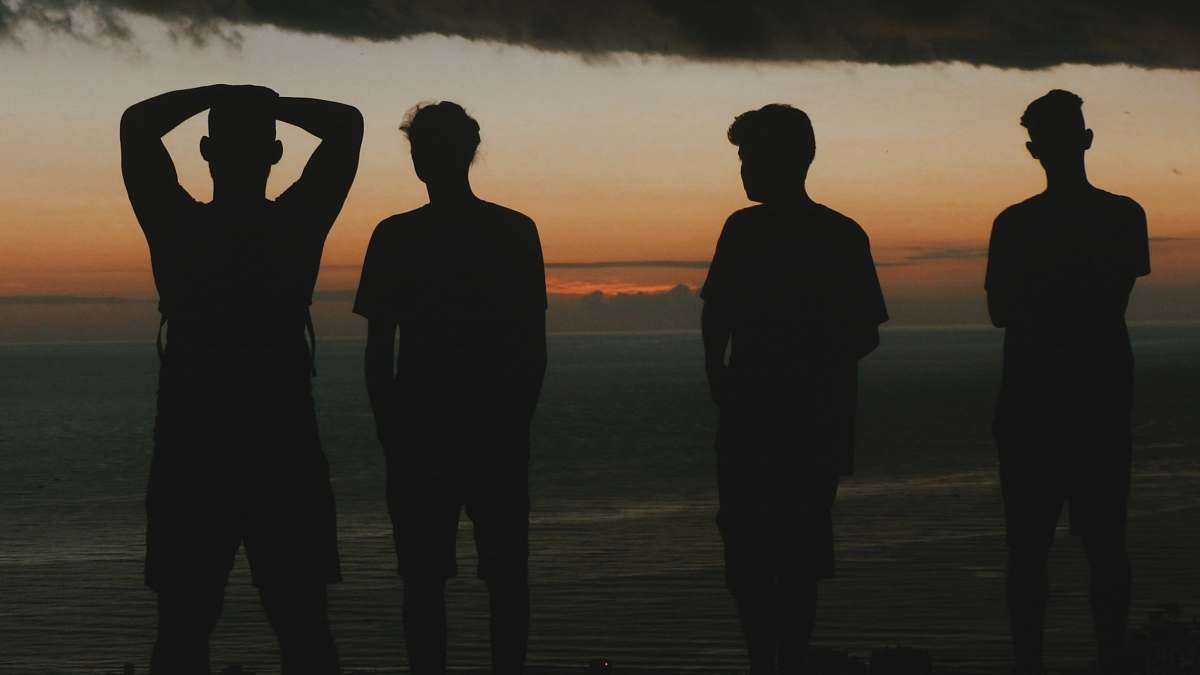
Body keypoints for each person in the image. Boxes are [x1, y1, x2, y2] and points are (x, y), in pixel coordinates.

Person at [121, 84, 363, 674]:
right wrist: (265, 101)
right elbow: (346, 126)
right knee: (303, 622)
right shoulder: (297, 224)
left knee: (182, 624)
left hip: (191, 441)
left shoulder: (175, 224)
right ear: (275, 155)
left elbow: (136, 125)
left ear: (205, 151)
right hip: (282, 441)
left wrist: (220, 92)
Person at [354, 101, 547, 675]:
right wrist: (515, 421)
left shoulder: (397, 236)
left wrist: (390, 426)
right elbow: (531, 346)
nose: (422, 160)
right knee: (498, 577)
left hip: (430, 429)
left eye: (425, 149)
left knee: (429, 580)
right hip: (481, 429)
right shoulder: (512, 231)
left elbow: (377, 351)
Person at [701, 104, 887, 675]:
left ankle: (773, 661)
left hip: (778, 419)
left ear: (789, 159)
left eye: (750, 155)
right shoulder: (835, 233)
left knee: (764, 556)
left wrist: (733, 377)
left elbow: (718, 319)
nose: (743, 168)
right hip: (795, 419)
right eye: (741, 157)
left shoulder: (757, 230)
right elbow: (863, 334)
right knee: (787, 556)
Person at [986, 89, 1150, 675]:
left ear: (1036, 149)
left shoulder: (1016, 225)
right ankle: (1104, 659)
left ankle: (1038, 662)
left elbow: (1005, 309)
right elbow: (1105, 300)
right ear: (1084, 140)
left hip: (1043, 403)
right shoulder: (1121, 216)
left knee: (1036, 550)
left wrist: (1044, 295)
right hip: (1092, 399)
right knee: (1098, 545)